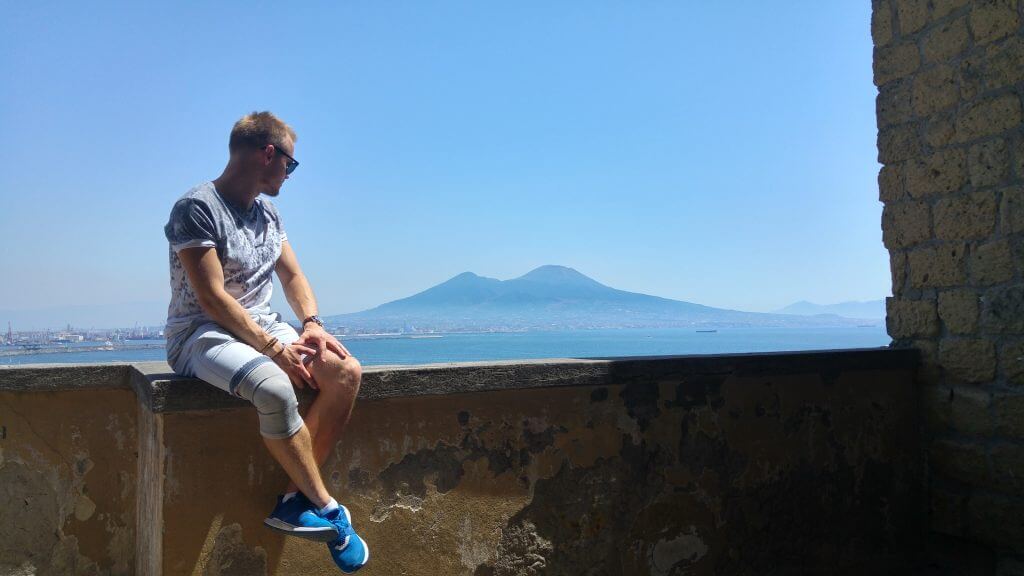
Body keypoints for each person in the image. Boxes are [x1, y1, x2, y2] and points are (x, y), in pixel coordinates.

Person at [162, 111, 369, 573]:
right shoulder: (196, 207)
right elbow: (212, 297)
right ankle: (330, 510)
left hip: (262, 325)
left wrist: (311, 323)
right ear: (267, 154)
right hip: (201, 333)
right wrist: (272, 348)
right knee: (275, 388)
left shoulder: (268, 212)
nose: (290, 176)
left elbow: (292, 274)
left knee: (345, 373)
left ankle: (295, 501)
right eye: (290, 165)